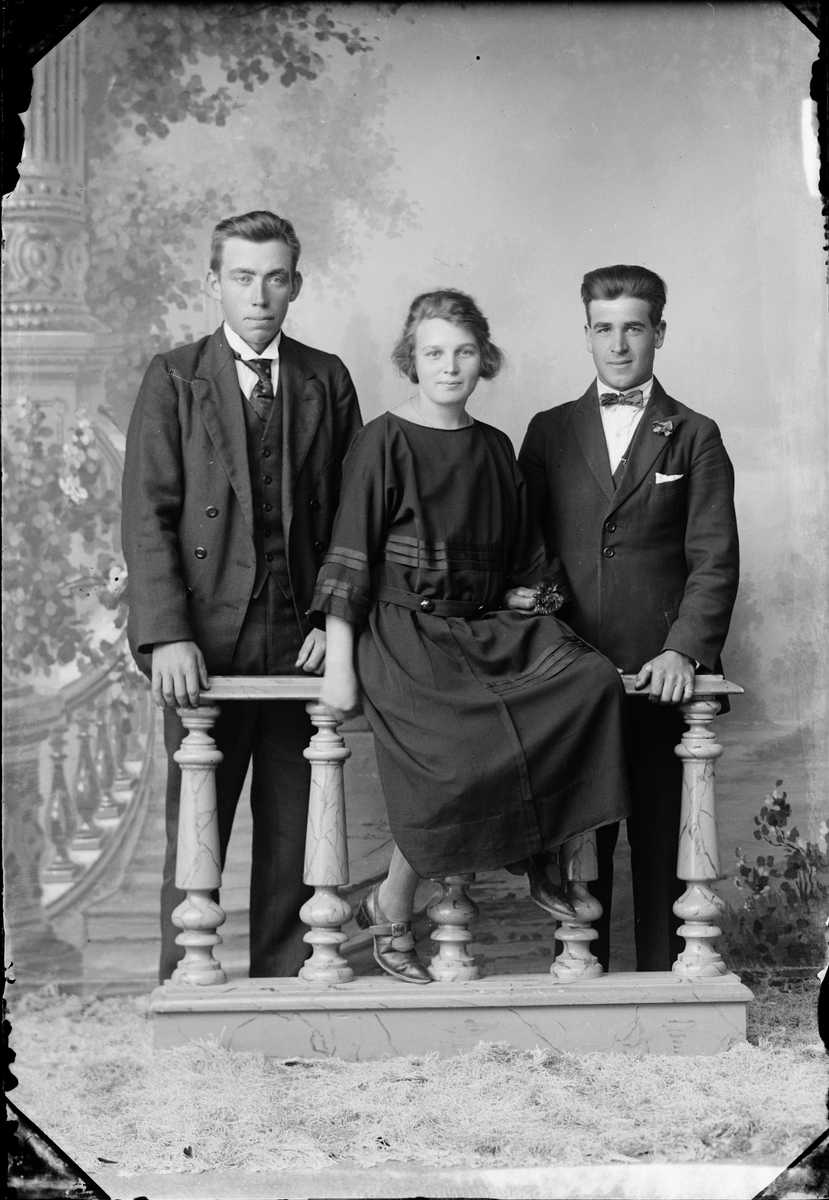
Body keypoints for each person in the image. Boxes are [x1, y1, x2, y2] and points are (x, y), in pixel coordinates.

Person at [312, 289, 631, 984]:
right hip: (404, 632)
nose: (449, 367)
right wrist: (338, 661)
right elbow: (349, 554)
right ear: (411, 359)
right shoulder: (383, 440)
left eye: (463, 353)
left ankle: (542, 847)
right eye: (434, 353)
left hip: (481, 628)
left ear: (483, 359)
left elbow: (525, 556)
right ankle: (392, 902)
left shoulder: (493, 446)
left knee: (589, 682)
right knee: (458, 758)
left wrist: (524, 593)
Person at [122, 210, 362, 983]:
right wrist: (166, 634)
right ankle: (184, 990)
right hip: (203, 641)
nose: (259, 295)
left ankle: (284, 991)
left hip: (301, 639)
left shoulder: (326, 378)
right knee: (196, 824)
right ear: (213, 282)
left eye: (274, 278)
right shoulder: (174, 375)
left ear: (296, 284)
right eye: (241, 277)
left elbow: (354, 517)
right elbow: (147, 514)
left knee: (297, 829)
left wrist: (334, 620)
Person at [518, 264, 739, 972]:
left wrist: (683, 650)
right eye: (603, 328)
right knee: (576, 849)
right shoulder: (549, 431)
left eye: (634, 328)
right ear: (586, 333)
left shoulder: (695, 434)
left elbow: (713, 558)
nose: (618, 345)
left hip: (660, 677)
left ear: (659, 333)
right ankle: (580, 994)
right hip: (571, 679)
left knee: (665, 848)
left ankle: (670, 998)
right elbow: (528, 550)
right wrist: (551, 644)